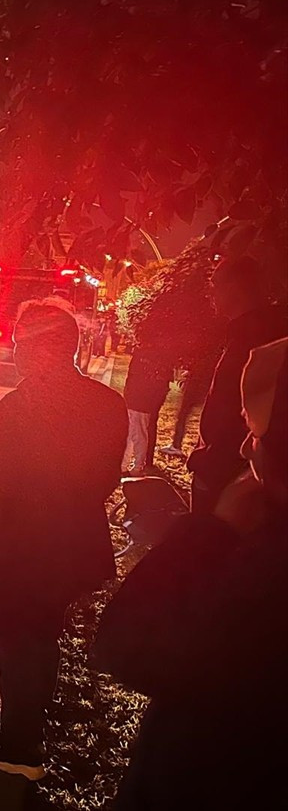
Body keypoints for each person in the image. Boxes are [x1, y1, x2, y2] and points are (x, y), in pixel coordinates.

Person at [93, 336, 288, 809]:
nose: (246, 448)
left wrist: (211, 531)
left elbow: (130, 646)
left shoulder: (266, 562)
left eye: (258, 431)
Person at [0, 300, 128, 780]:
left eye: (19, 346)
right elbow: (105, 479)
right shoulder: (106, 402)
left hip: (21, 547)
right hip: (72, 544)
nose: (14, 355)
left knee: (15, 639)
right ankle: (27, 715)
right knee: (43, 633)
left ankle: (20, 746)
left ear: (34, 353)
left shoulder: (19, 407)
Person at [188, 256, 288, 514]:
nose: (212, 294)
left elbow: (237, 409)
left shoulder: (254, 338)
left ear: (235, 287)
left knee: (210, 545)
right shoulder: (255, 331)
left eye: (215, 285)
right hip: (235, 469)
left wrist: (211, 465)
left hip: (229, 473)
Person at [121, 342, 172, 475]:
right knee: (134, 433)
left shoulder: (143, 353)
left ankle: (136, 465)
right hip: (142, 401)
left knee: (136, 434)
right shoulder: (161, 356)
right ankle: (126, 464)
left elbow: (132, 375)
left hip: (137, 399)